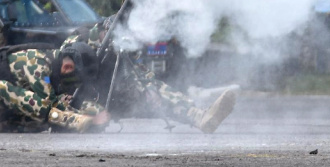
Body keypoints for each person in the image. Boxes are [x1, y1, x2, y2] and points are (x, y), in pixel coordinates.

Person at [62, 22, 237, 133]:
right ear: (103, 31)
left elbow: (140, 71)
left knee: (156, 93)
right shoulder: (79, 39)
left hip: (113, 97)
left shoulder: (122, 46)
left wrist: (150, 90)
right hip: (79, 101)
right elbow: (61, 70)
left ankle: (200, 117)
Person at [0, 42, 109, 133]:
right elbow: (50, 104)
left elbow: (60, 102)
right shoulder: (38, 63)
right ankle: (76, 122)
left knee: (40, 121)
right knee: (4, 88)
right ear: (68, 67)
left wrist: (94, 110)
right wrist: (81, 119)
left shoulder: (52, 70)